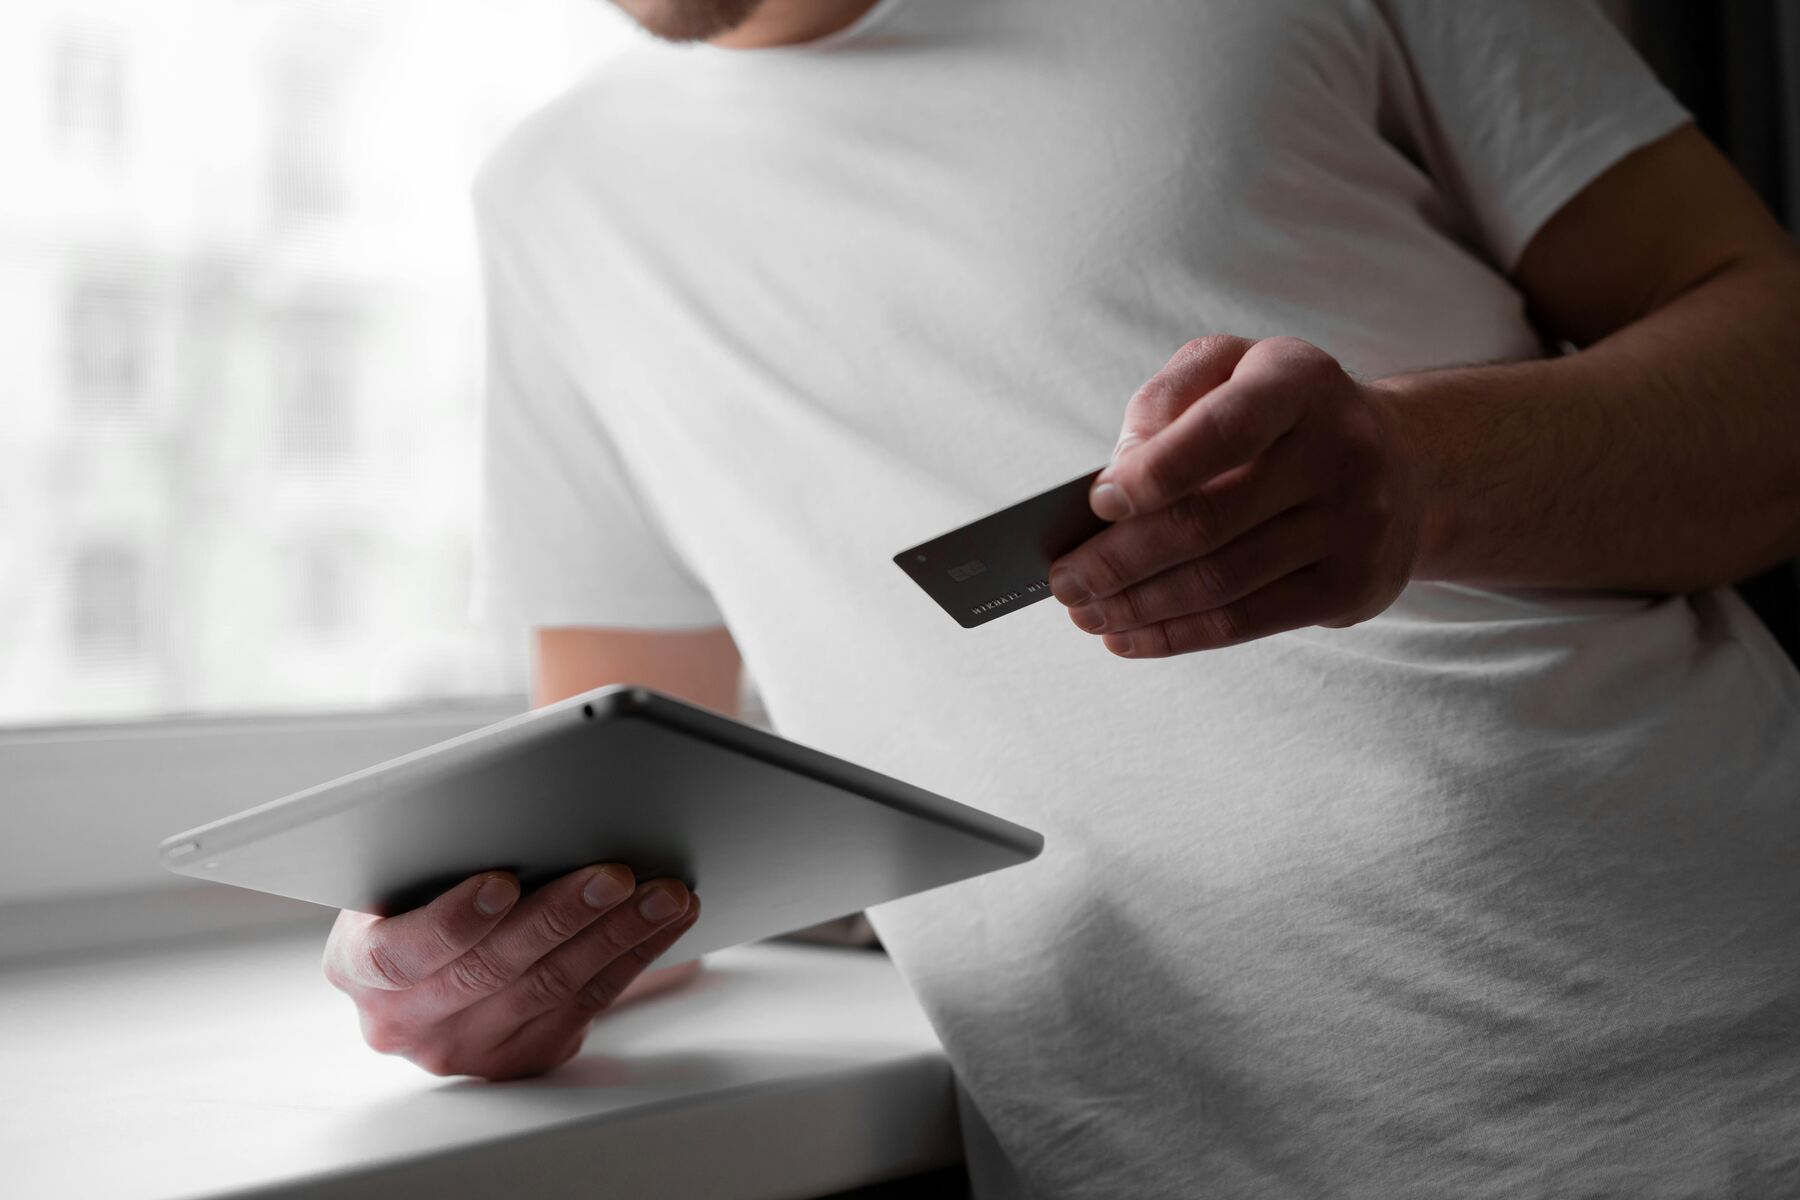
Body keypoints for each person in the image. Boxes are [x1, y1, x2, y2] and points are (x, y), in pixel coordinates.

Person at [322, 0, 1800, 1194]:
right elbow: (633, 832)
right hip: (1150, 1146)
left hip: (1732, 1057)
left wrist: (1421, 472)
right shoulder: (557, 204)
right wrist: (466, 967)